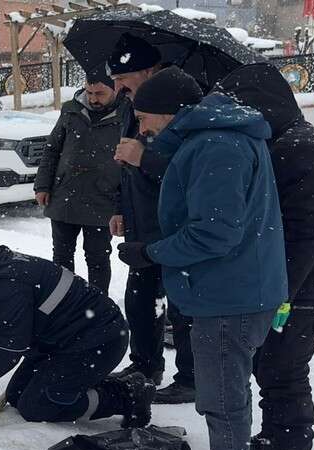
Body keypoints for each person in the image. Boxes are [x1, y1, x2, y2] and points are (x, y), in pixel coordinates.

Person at [115, 68, 287, 450]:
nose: (143, 128)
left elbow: (215, 232)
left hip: (231, 294)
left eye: (147, 117)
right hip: (234, 287)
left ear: (174, 114)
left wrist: (151, 252)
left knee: (223, 396)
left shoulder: (218, 146)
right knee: (224, 390)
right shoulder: (214, 139)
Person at [213, 64, 314, 450]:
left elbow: (309, 231)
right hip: (298, 282)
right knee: (271, 364)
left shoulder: (298, 148)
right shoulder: (283, 140)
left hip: (307, 286)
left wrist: (281, 293)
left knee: (284, 368)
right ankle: (275, 439)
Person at [0, 218, 153, 428]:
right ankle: (85, 383)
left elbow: (9, 348)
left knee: (38, 406)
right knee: (17, 395)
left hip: (98, 340)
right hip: (62, 340)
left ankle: (128, 395)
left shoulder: (6, 284)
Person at [105, 34, 196, 405]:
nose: (117, 88)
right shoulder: (131, 105)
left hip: (174, 225)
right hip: (141, 220)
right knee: (139, 298)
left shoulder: (183, 105)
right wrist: (119, 207)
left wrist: (146, 158)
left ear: (147, 70)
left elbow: (189, 173)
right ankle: (145, 365)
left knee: (182, 303)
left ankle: (192, 377)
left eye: (122, 78)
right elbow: (128, 162)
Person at [33, 75, 123, 295]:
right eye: (89, 93)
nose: (93, 99)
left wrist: (122, 203)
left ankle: (98, 305)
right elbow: (52, 149)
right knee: (62, 257)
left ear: (114, 90)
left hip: (103, 198)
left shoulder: (125, 114)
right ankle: (63, 303)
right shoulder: (71, 110)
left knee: (98, 257)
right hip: (65, 194)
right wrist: (42, 185)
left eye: (99, 94)